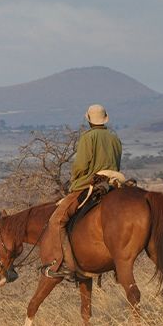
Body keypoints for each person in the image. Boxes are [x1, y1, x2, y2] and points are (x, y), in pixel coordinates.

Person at [40, 104, 123, 277]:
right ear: (105, 118)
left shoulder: (88, 137)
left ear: (89, 121)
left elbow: (81, 165)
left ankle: (63, 265)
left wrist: (75, 179)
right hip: (114, 181)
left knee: (57, 220)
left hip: (92, 181)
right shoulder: (115, 138)